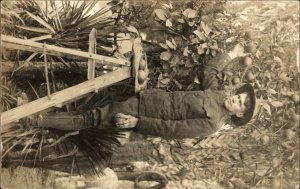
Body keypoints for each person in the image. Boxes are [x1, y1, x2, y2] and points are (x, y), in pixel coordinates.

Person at [23, 43, 256, 139]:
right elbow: (210, 69)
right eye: (240, 95)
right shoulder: (218, 94)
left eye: (241, 104)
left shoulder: (212, 123)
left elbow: (171, 129)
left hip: (140, 113)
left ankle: (35, 120)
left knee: (91, 117)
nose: (236, 98)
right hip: (148, 96)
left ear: (238, 115)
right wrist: (232, 55)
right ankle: (37, 115)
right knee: (93, 106)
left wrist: (137, 123)